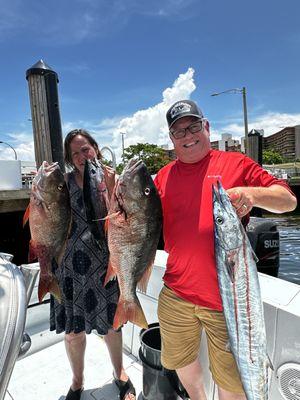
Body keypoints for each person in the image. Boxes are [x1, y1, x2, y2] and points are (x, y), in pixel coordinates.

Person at [154, 100, 297, 400]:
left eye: (193, 126)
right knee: (182, 363)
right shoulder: (163, 177)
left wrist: (251, 194)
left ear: (206, 127)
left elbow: (288, 201)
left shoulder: (236, 164)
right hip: (176, 292)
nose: (187, 134)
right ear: (171, 137)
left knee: (233, 383)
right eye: (178, 130)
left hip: (228, 302)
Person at [50, 129, 136, 400]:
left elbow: (127, 216)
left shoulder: (112, 179)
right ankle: (77, 381)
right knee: (73, 333)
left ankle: (119, 372)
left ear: (96, 148)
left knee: (112, 327)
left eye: (85, 149)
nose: (80, 157)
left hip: (105, 265)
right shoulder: (62, 184)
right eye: (74, 153)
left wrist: (111, 185)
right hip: (69, 268)